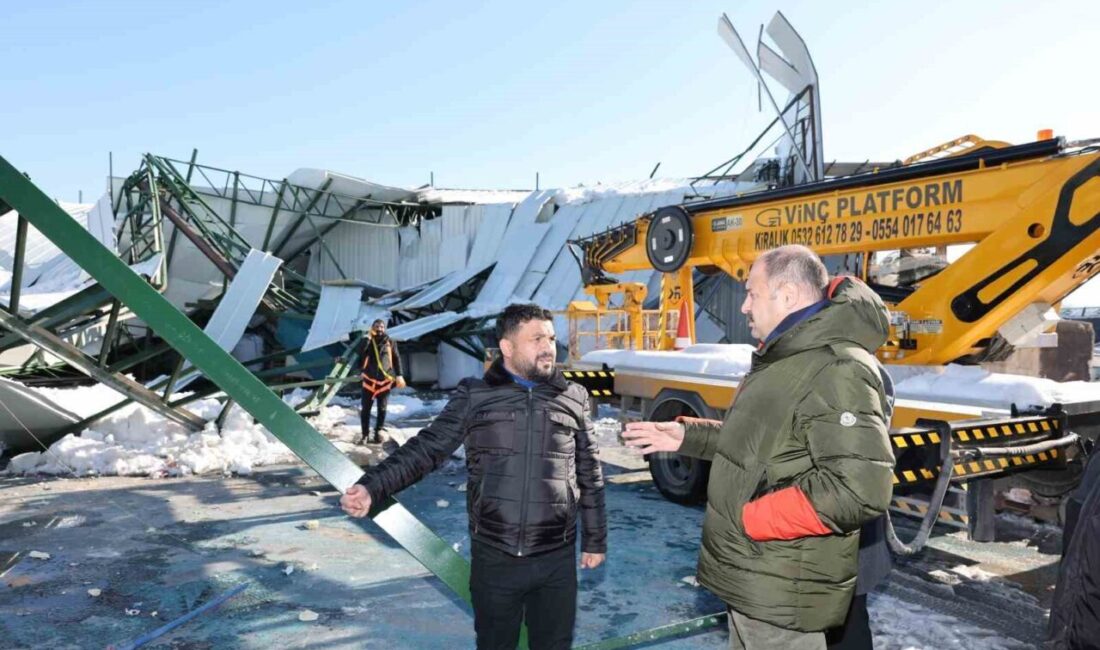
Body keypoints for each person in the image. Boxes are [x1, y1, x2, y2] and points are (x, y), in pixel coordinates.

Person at [623, 245, 895, 650]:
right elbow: (767, 446)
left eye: (752, 293)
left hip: (782, 588)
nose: (745, 306)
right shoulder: (790, 356)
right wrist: (687, 436)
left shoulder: (836, 367)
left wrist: (752, 521)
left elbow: (858, 488)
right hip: (758, 579)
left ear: (787, 296)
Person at [341, 303, 607, 650]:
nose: (548, 346)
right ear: (507, 348)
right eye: (537, 338)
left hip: (555, 560)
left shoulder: (573, 398)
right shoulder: (475, 395)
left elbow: (590, 473)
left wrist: (595, 539)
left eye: (551, 337)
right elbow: (427, 449)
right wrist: (373, 486)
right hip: (495, 558)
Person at [357, 318, 405, 444]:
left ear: (385, 329)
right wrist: (367, 337)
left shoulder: (390, 341)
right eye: (376, 326)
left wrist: (399, 374)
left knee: (382, 409)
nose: (379, 329)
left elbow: (396, 358)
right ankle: (365, 435)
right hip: (369, 381)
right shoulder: (367, 340)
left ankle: (378, 432)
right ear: (372, 328)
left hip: (384, 382)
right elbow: (361, 353)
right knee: (365, 409)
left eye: (381, 327)